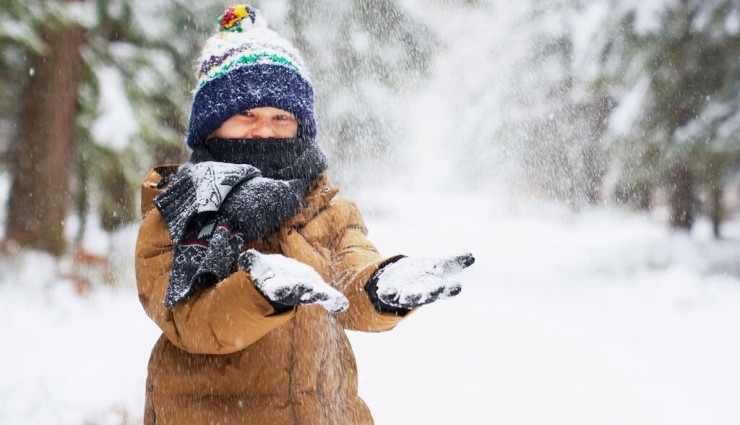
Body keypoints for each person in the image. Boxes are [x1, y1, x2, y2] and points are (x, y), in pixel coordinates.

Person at [135, 4, 475, 424]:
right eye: (246, 114)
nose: (264, 129)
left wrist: (380, 287)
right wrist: (259, 294)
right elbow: (192, 321)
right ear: (211, 125)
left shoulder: (330, 211)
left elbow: (351, 280)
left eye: (281, 116)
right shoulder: (179, 211)